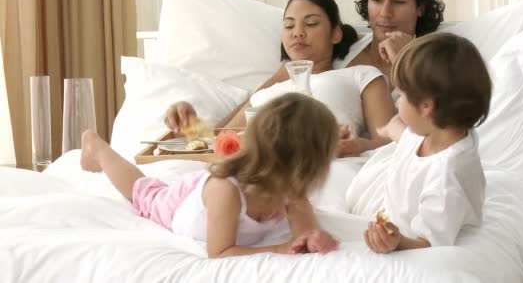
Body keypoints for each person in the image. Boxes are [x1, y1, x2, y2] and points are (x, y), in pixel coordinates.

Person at [81, 93, 340, 258]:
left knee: (221, 149)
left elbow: (304, 232)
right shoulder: (226, 191)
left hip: (229, 176)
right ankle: (96, 146)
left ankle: (191, 125)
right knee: (145, 191)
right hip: (182, 201)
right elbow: (220, 251)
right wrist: (278, 249)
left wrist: (312, 238)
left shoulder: (291, 191)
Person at [165, 0, 395, 157]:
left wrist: (358, 147)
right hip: (258, 174)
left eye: (311, 23)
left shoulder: (360, 75)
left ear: (336, 34)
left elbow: (390, 141)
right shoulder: (267, 93)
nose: (298, 33)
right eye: (288, 26)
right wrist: (187, 121)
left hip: (327, 169)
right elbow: (221, 139)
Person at [344, 32, 491, 253]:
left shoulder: (447, 178)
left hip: (400, 229)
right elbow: (404, 134)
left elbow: (429, 242)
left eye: (401, 95)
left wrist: (397, 243)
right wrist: (385, 131)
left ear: (426, 107)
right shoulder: (438, 130)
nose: (398, 101)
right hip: (381, 201)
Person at [335, 0, 445, 80]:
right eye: (377, 0)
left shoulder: (435, 69)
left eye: (398, 2)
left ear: (420, 7)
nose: (385, 13)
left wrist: (407, 62)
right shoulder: (342, 47)